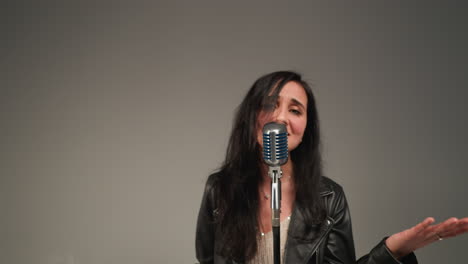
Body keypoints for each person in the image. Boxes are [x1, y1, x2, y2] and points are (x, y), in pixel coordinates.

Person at [195, 71, 468, 264]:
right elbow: (206, 260)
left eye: (295, 110)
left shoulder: (329, 198)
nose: (280, 118)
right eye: (270, 104)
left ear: (305, 129)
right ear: (251, 117)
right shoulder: (218, 189)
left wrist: (393, 251)